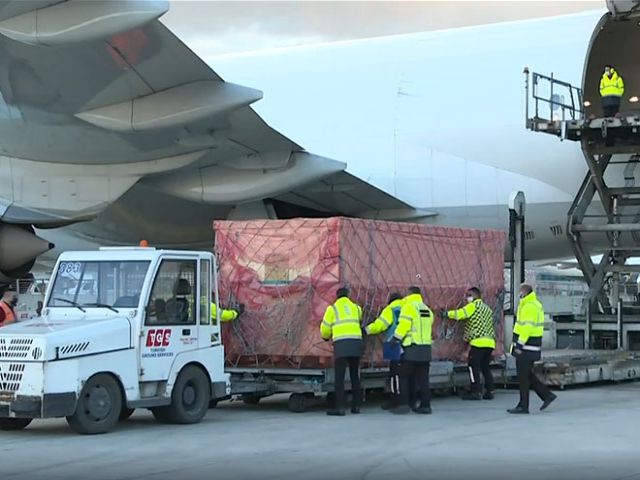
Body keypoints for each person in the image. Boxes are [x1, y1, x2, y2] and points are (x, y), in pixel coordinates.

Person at [508, 284, 557, 414]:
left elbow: (526, 328)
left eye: (520, 291)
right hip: (531, 347)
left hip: (526, 347)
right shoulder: (534, 304)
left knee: (523, 377)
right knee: (528, 374)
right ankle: (547, 395)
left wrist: (519, 345)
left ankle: (524, 406)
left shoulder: (528, 306)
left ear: (524, 292)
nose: (519, 294)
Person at [445, 287, 496, 401]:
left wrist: (447, 314)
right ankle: (490, 390)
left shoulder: (473, 306)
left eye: (469, 295)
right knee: (485, 367)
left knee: (473, 366)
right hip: (490, 342)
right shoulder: (487, 308)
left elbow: (461, 314)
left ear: (475, 296)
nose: (467, 297)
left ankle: (476, 391)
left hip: (478, 342)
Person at [390, 286, 434, 415]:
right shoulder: (427, 309)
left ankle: (404, 405)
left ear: (409, 294)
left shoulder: (408, 307)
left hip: (411, 348)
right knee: (423, 379)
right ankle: (426, 405)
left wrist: (395, 339)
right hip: (425, 349)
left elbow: (404, 325)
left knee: (403, 376)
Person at [320, 287, 363, 416]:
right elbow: (359, 319)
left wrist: (326, 336)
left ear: (336, 296)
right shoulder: (356, 308)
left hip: (341, 344)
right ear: (348, 295)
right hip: (356, 343)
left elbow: (325, 329)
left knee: (340, 377)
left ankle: (340, 407)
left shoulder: (332, 309)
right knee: (355, 375)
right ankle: (356, 406)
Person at [364, 292, 404, 409]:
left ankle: (395, 399)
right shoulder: (408, 307)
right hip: (409, 342)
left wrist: (366, 330)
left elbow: (380, 325)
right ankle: (406, 398)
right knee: (406, 373)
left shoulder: (390, 309)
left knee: (394, 373)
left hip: (392, 343)